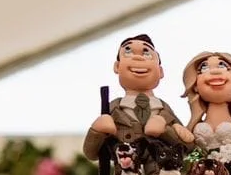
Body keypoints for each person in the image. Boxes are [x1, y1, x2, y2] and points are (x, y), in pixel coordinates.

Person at [82, 33, 192, 161]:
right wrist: (97, 131)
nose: (138, 58)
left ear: (161, 71)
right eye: (128, 52)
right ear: (117, 67)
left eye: (146, 53)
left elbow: (190, 149)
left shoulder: (164, 110)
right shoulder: (112, 109)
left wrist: (165, 131)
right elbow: (91, 154)